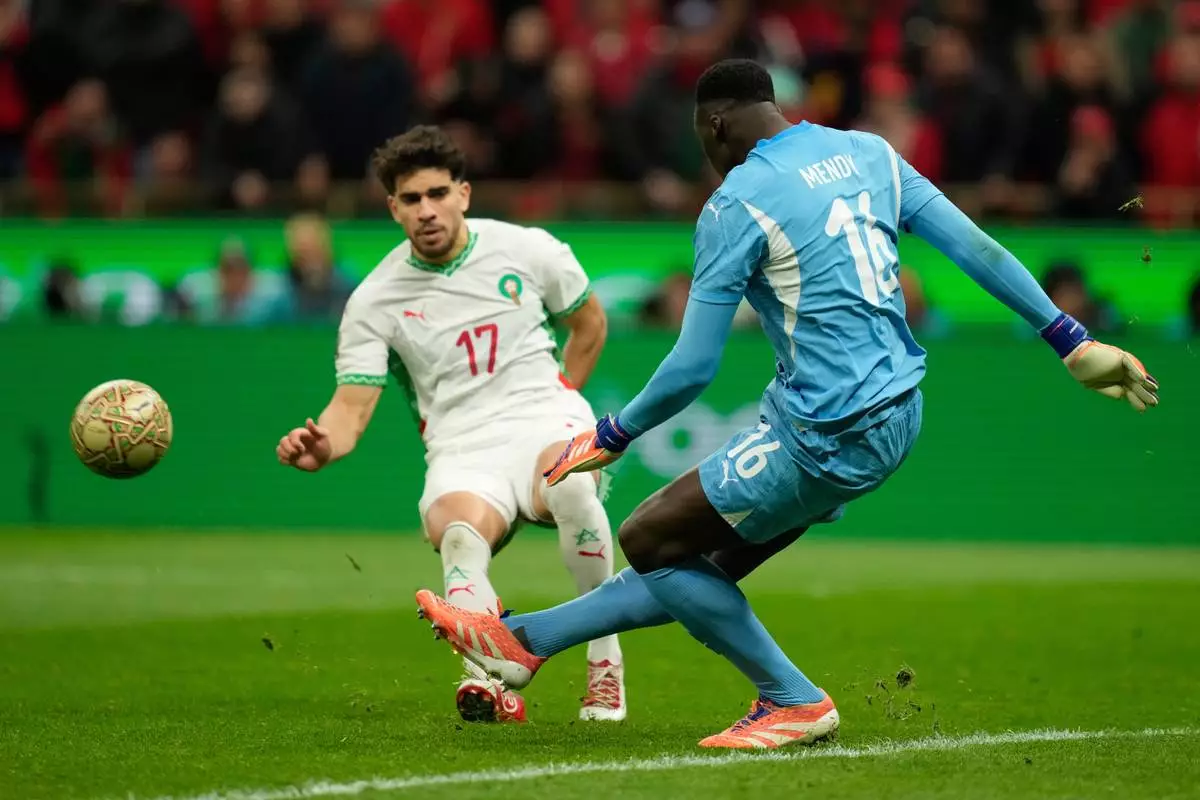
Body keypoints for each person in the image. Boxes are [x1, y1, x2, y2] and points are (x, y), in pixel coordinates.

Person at [414, 59, 1160, 748]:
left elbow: (693, 366)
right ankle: (522, 643)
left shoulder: (736, 203)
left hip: (827, 428)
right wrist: (1071, 341)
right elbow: (976, 248)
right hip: (899, 411)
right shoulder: (869, 153)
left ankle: (791, 699)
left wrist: (615, 429)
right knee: (695, 561)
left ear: (713, 126)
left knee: (649, 538)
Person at [275, 126, 625, 725]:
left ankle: (604, 663)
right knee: (459, 537)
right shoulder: (375, 298)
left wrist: (563, 397)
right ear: (392, 208)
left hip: (544, 414)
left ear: (463, 193)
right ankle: (490, 673)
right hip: (461, 443)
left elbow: (589, 325)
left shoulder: (529, 249)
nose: (426, 210)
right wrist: (322, 444)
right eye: (411, 200)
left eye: (437, 193)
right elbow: (351, 409)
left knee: (569, 482)